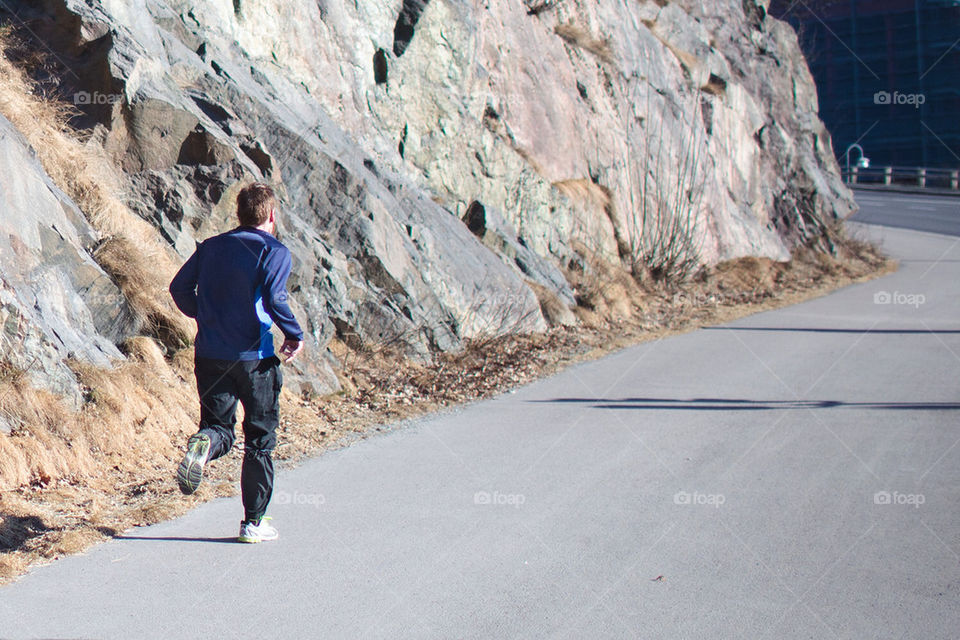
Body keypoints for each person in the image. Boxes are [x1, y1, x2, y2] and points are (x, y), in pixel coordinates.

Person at [169, 182, 303, 543]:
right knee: (259, 440)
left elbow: (179, 288)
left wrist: (206, 315)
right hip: (255, 360)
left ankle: (204, 445)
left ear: (238, 213)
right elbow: (275, 298)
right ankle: (253, 523)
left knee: (220, 428)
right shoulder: (274, 252)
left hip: (211, 355)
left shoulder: (211, 248)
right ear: (272, 215)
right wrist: (294, 334)